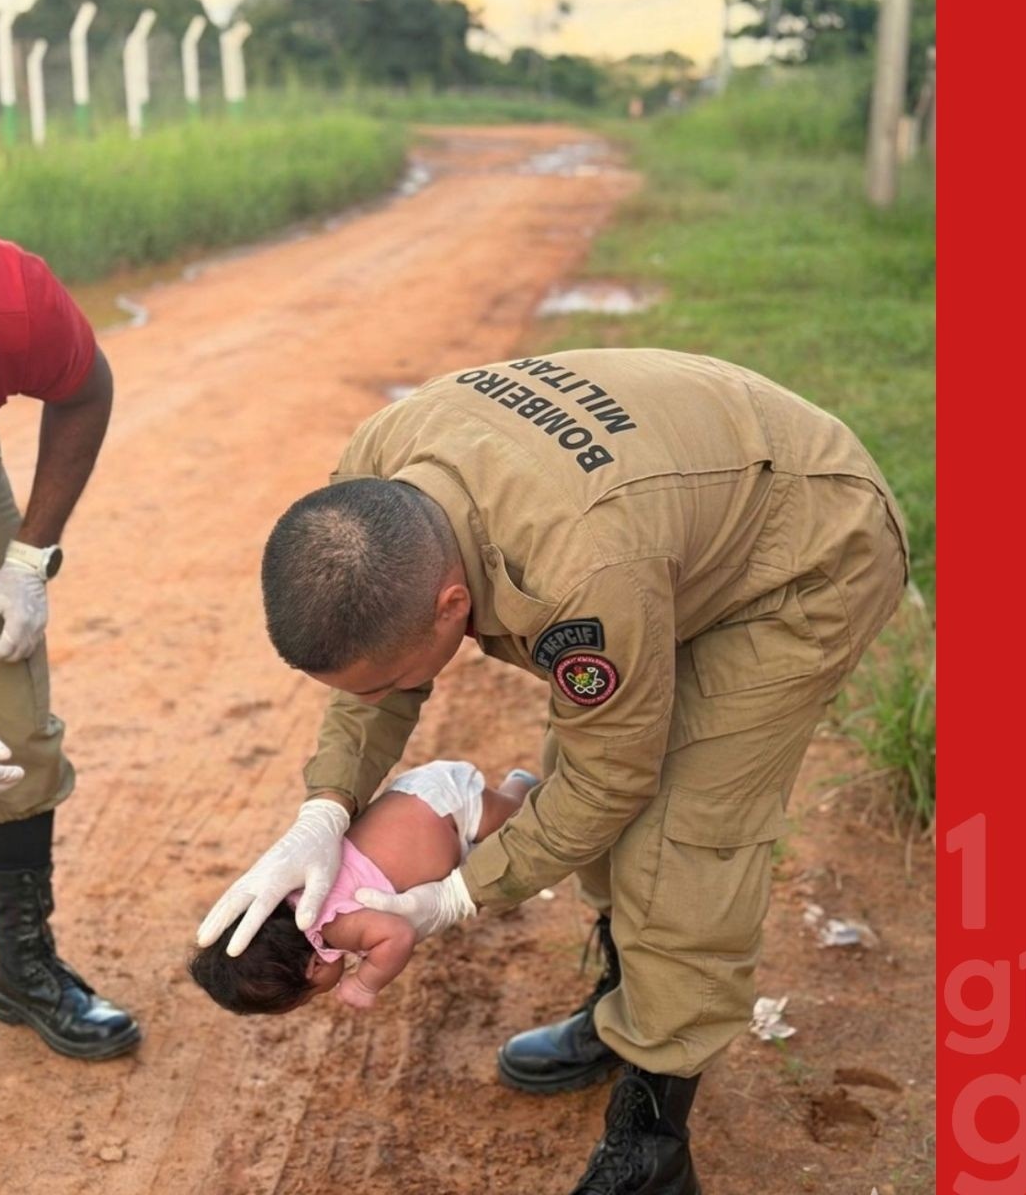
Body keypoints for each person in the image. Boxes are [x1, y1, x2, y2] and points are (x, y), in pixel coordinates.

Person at [198, 348, 908, 1193]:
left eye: (398, 676)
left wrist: (457, 896)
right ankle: (623, 1004)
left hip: (801, 556)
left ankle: (654, 1137)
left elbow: (612, 782)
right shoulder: (372, 487)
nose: (391, 693)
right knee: (578, 776)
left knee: (677, 837)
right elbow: (382, 688)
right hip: (669, 528)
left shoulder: (582, 571)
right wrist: (321, 810)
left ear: (452, 605)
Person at [0, 220, 140, 1060]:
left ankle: (22, 965)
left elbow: (85, 390)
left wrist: (28, 560)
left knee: (7, 720)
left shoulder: (2, 297)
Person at [190, 762, 535, 1015]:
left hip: (450, 809)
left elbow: (397, 935)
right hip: (419, 797)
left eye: (311, 996)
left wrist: (366, 981)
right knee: (509, 830)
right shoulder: (294, 897)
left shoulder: (335, 928)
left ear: (314, 969)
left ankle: (524, 784)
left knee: (524, 819)